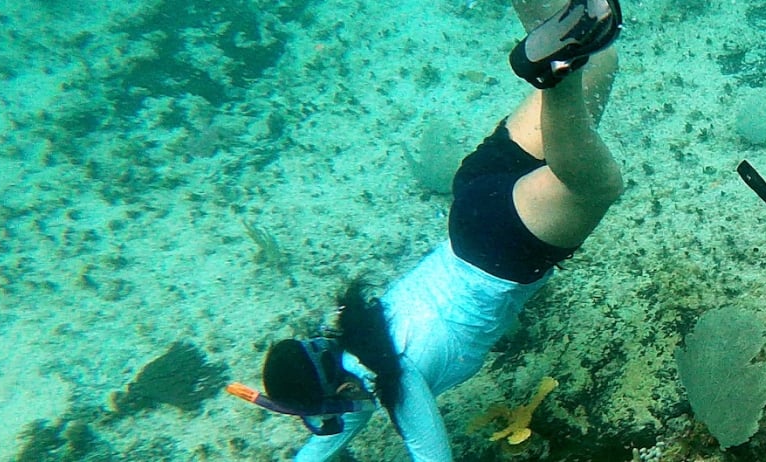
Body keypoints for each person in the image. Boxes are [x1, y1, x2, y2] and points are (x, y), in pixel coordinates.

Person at [219, 1, 625, 460]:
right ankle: (554, 37)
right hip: (474, 199)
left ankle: (555, 73)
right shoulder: (357, 338)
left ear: (342, 389)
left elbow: (432, 454)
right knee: (602, 56)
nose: (336, 420)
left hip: (507, 245)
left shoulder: (398, 385)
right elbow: (330, 435)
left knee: (595, 186)